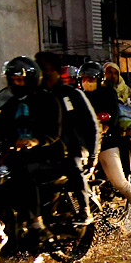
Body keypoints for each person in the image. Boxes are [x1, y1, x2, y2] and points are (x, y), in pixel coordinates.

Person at [0, 56, 70, 244]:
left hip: (48, 155)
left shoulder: (47, 100)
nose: (16, 84)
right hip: (19, 155)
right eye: (12, 80)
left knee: (21, 169)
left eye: (19, 80)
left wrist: (35, 141)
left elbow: (53, 131)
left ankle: (36, 223)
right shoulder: (11, 104)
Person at [79, 63, 131, 233]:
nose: (87, 82)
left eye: (90, 79)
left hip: (106, 143)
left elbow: (113, 117)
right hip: (84, 146)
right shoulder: (78, 96)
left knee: (120, 183)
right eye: (84, 79)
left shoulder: (109, 93)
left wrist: (106, 127)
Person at [36, 51, 98, 225]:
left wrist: (93, 154)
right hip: (45, 148)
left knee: (72, 164)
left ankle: (84, 210)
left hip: (73, 147)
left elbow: (92, 124)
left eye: (46, 69)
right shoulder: (37, 96)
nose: (43, 73)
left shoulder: (70, 94)